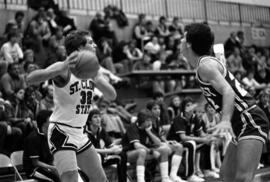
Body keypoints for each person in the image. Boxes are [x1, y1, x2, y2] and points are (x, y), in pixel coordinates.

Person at [180, 23, 269, 182]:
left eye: (182, 36)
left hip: (249, 119)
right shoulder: (205, 64)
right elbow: (216, 93)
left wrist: (225, 120)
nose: (179, 40)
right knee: (226, 176)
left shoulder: (205, 66)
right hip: (240, 123)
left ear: (188, 43)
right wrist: (198, 107)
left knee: (243, 178)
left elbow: (228, 91)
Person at [27, 30, 117, 182]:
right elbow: (31, 79)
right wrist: (61, 67)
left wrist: (98, 79)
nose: (95, 45)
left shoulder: (91, 69)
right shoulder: (63, 67)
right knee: (71, 179)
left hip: (79, 133)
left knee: (101, 179)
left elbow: (112, 95)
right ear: (79, 48)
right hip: (61, 131)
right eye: (90, 42)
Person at [23, 110, 61, 182]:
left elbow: (51, 158)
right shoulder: (33, 138)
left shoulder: (51, 135)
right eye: (51, 118)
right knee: (54, 179)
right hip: (33, 169)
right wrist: (53, 168)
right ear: (44, 122)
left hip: (46, 166)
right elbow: (35, 162)